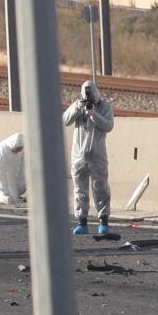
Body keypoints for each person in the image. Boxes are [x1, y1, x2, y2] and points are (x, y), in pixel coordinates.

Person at [63, 80, 114, 235]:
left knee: (101, 188)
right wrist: (77, 108)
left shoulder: (104, 107)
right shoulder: (78, 106)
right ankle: (82, 221)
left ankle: (103, 220)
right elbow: (65, 120)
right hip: (79, 155)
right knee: (80, 189)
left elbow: (108, 126)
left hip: (97, 154)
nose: (89, 97)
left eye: (91, 93)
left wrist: (93, 114)